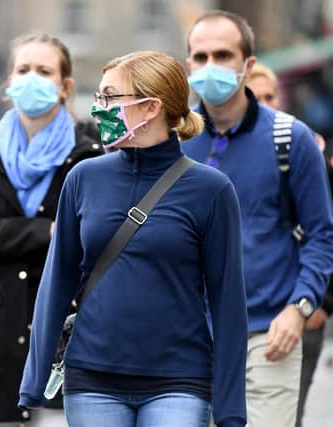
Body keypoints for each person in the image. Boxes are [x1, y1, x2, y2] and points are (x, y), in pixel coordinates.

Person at [19, 50, 248, 427]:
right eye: (99, 98)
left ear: (151, 107)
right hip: (92, 376)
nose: (98, 109)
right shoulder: (83, 178)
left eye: (110, 97)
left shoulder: (212, 189)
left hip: (180, 378)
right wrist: (35, 375)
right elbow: (57, 281)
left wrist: (230, 406)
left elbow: (227, 302)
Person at [183, 10, 333, 427]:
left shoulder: (291, 138)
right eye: (200, 56)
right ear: (188, 64)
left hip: (268, 339)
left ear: (248, 64)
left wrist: (299, 308)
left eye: (223, 55)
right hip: (187, 341)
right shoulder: (176, 141)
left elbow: (322, 234)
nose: (210, 66)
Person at [0, 32, 103, 426]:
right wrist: (46, 233)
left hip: (65, 336)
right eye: (24, 69)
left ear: (66, 87)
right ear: (10, 81)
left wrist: (7, 234)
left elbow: (91, 237)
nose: (32, 78)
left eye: (44, 71)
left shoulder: (88, 155)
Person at [245, 62, 333, 427]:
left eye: (271, 96)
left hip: (295, 314)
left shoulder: (303, 149)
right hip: (225, 321)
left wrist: (317, 303)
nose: (266, 104)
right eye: (256, 96)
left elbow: (324, 232)